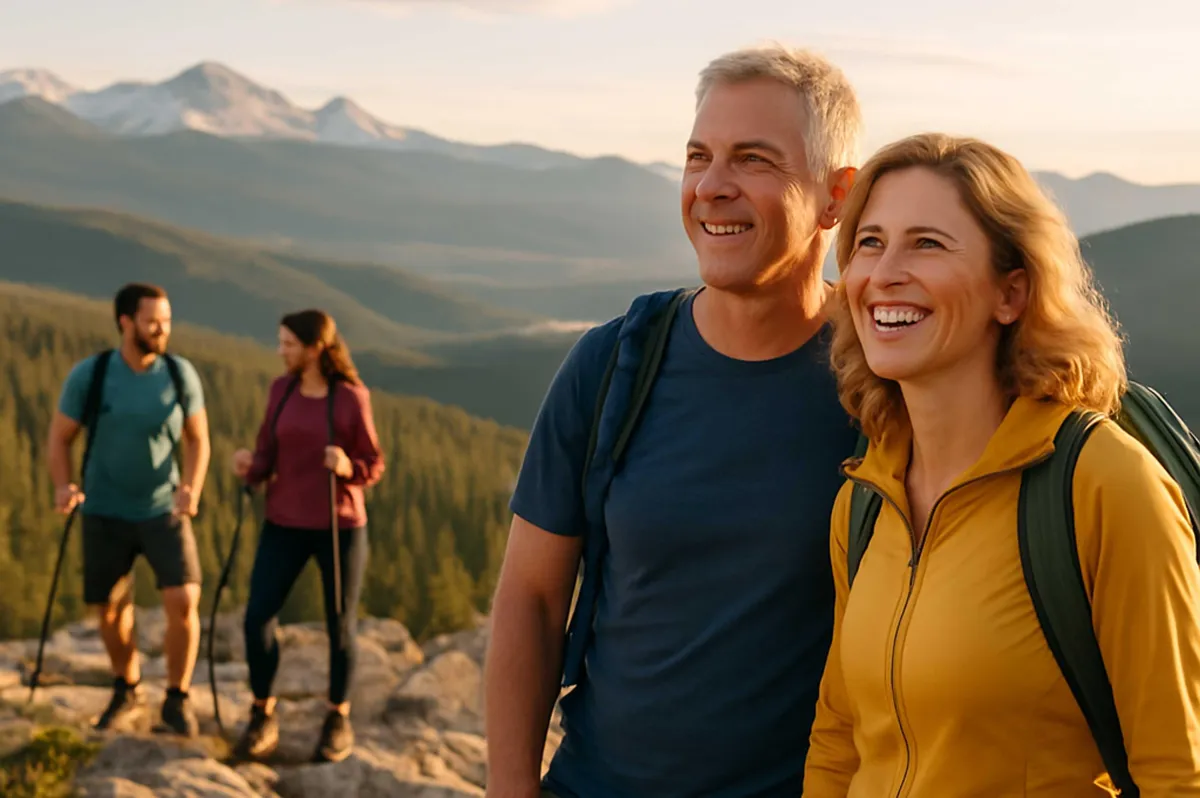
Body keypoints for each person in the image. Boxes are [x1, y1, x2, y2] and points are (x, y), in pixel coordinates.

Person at [484, 44, 864, 798]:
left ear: (835, 196)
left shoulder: (881, 382)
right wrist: (510, 788)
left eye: (753, 160)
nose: (711, 187)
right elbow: (530, 596)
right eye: (699, 156)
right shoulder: (612, 364)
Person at [802, 132, 1200, 796]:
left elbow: (1178, 771)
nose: (884, 272)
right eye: (869, 242)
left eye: (927, 243)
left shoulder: (1103, 486)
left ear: (1011, 293)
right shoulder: (866, 501)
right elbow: (840, 740)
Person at [47, 282, 211, 737]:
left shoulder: (180, 375)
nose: (163, 329)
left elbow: (199, 438)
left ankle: (177, 699)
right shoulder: (93, 375)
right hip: (104, 508)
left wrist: (192, 487)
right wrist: (64, 486)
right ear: (125, 322)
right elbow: (60, 437)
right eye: (153, 321)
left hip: (165, 509)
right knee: (109, 608)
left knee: (183, 599)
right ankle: (128, 685)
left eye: (167, 320)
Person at [229, 309, 384, 765]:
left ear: (315, 348)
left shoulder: (351, 398)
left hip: (339, 526)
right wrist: (250, 470)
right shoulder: (281, 390)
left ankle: (337, 717)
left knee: (340, 624)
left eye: (289, 344)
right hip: (283, 522)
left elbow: (373, 463)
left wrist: (346, 468)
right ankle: (262, 713)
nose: (282, 352)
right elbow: (267, 450)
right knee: (257, 617)